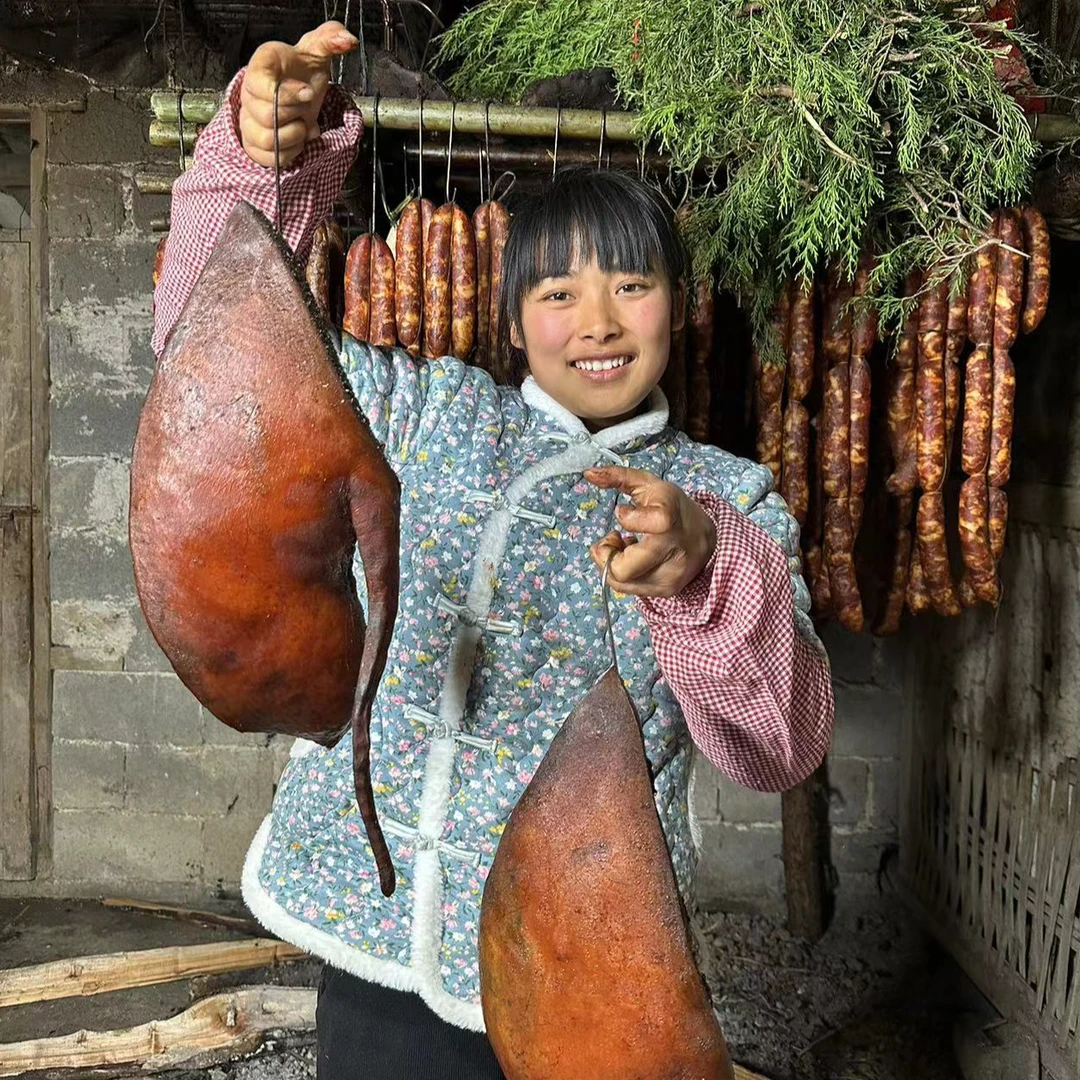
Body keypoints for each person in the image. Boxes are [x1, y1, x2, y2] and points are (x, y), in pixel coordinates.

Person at [152, 20, 835, 1080]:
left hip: (591, 967)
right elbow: (217, 359)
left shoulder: (727, 499)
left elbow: (776, 748)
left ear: (681, 309)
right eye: (558, 293)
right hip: (374, 926)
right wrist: (264, 159)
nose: (597, 321)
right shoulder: (425, 413)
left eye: (632, 286)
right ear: (514, 322)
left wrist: (704, 574)